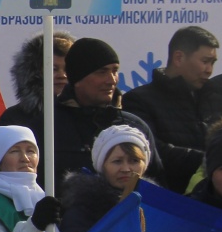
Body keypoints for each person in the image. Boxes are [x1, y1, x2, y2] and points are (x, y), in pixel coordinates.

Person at [36, 39, 161, 187]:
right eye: (102, 72)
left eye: (115, 71)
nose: (112, 80)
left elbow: (157, 184)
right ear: (78, 78)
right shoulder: (46, 125)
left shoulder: (134, 126)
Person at [122, 26, 222, 189]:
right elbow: (149, 152)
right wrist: (209, 160)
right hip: (164, 203)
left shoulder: (216, 99)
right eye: (205, 62)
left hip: (213, 204)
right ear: (178, 58)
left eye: (212, 63)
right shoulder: (138, 100)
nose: (209, 70)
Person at [59, 125, 151, 232]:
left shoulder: (157, 206)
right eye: (117, 161)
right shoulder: (83, 209)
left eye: (134, 160)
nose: (126, 169)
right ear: (102, 166)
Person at [0, 31, 73, 132]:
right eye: (53, 69)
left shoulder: (86, 116)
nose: (62, 75)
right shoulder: (14, 118)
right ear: (34, 72)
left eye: (67, 69)